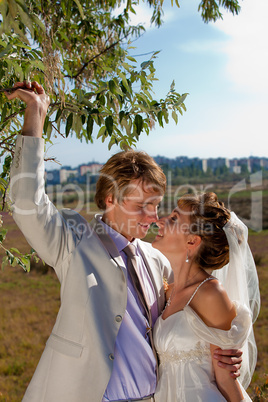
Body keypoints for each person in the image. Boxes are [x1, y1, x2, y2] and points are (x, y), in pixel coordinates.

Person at [5, 82, 243, 402]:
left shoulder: (157, 259)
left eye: (156, 205)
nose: (152, 217)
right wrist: (35, 115)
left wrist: (223, 349)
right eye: (141, 206)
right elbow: (26, 203)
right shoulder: (75, 240)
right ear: (110, 200)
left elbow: (191, 313)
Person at [152, 192, 260, 401]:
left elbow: (226, 379)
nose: (160, 221)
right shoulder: (167, 291)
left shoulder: (211, 294)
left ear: (192, 241)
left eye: (174, 219)